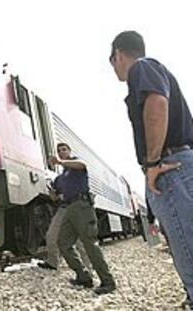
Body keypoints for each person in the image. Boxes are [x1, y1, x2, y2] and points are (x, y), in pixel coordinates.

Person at [110, 30, 193, 307]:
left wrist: (153, 163)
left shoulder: (141, 67)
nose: (114, 68)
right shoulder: (153, 69)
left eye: (112, 61)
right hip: (180, 165)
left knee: (189, 257)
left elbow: (157, 102)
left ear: (119, 54)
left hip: (171, 168)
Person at [52, 143, 115, 295]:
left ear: (69, 151)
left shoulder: (76, 164)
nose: (62, 152)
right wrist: (52, 192)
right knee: (63, 242)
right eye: (59, 151)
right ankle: (83, 275)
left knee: (89, 244)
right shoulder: (61, 177)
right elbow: (56, 196)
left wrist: (60, 162)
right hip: (69, 208)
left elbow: (82, 165)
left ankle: (107, 281)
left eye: (64, 149)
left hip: (82, 207)